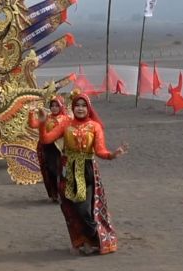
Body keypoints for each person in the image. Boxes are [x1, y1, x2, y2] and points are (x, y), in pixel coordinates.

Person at [36, 90, 128, 255]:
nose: (79, 108)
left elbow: (100, 150)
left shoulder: (95, 127)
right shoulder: (65, 124)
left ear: (88, 108)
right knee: (71, 209)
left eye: (83, 105)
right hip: (68, 170)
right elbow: (46, 140)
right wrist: (42, 124)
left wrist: (112, 155)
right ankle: (88, 241)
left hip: (87, 170)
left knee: (85, 209)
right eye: (77, 105)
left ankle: (98, 238)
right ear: (72, 107)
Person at [28, 96, 70, 203]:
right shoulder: (47, 118)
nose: (54, 108)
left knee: (60, 172)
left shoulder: (65, 119)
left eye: (57, 106)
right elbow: (33, 124)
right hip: (46, 148)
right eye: (52, 106)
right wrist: (31, 111)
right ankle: (54, 194)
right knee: (49, 171)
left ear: (61, 106)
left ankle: (63, 193)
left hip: (59, 148)